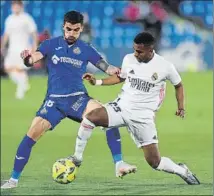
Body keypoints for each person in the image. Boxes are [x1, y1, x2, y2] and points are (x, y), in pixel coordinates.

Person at [1, 10, 136, 189]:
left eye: (76, 30)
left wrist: (118, 71)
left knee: (107, 118)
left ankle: (119, 164)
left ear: (81, 30)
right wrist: (27, 59)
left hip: (77, 99)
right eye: (68, 29)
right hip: (54, 101)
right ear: (63, 27)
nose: (71, 33)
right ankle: (13, 180)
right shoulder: (50, 44)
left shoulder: (86, 48)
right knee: (30, 136)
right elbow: (33, 59)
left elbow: (106, 67)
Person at [69, 32, 200, 185]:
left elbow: (178, 85)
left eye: (139, 51)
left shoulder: (165, 66)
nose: (135, 54)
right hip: (122, 106)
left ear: (150, 50)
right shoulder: (128, 59)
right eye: (134, 49)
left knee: (154, 162)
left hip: (143, 116)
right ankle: (77, 158)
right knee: (91, 117)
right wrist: (97, 82)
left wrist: (181, 107)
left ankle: (182, 171)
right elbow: (121, 77)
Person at [1, 0, 38, 99]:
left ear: (21, 6)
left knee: (20, 69)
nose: (15, 7)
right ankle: (24, 84)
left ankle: (20, 92)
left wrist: (35, 47)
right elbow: (6, 34)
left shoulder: (27, 18)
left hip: (23, 48)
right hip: (12, 49)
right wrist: (2, 47)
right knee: (7, 68)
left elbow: (34, 33)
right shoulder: (9, 19)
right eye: (14, 5)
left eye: (17, 5)